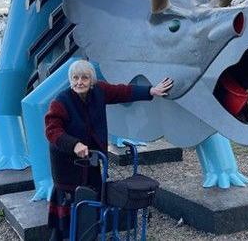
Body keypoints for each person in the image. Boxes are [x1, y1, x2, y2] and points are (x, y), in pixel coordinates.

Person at [44, 60, 173, 240]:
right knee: (67, 210)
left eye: (84, 78)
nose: (79, 82)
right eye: (75, 78)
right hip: (67, 164)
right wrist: (74, 144)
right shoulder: (61, 102)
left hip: (92, 159)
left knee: (92, 202)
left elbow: (123, 91)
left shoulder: (99, 91)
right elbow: (52, 130)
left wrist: (150, 91)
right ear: (70, 80)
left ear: (92, 81)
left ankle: (88, 236)